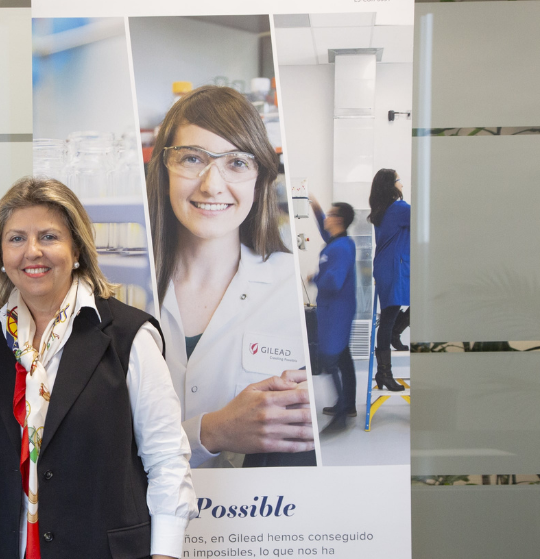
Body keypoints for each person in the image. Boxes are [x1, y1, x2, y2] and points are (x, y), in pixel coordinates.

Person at [0, 177, 196, 559]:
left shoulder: (128, 336)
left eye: (49, 236)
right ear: (0, 255)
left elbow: (167, 462)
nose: (33, 251)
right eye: (17, 238)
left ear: (76, 249)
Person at [145, 85, 314, 468]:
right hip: (138, 525)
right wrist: (212, 432)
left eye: (237, 162)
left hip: (257, 521)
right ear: (163, 171)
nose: (211, 184)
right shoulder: (116, 293)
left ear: (260, 178)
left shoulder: (295, 287)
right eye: (191, 159)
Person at [310, 199, 358, 420]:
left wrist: (315, 277)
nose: (326, 219)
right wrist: (315, 206)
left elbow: (333, 282)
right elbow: (323, 226)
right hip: (339, 309)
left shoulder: (339, 248)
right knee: (344, 357)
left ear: (338, 220)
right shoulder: (340, 242)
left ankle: (341, 410)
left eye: (330, 215)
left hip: (336, 312)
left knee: (330, 359)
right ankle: (348, 405)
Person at [369, 168, 409, 391]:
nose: (402, 184)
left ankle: (394, 334)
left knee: (388, 317)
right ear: (391, 185)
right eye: (399, 180)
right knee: (388, 318)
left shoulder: (381, 210)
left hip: (385, 267)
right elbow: (424, 221)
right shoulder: (400, 209)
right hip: (394, 268)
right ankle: (384, 373)